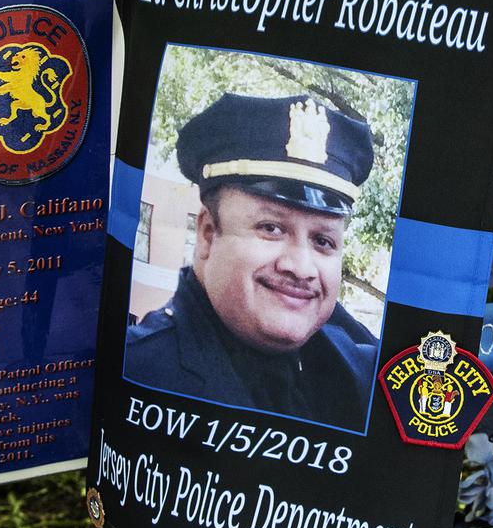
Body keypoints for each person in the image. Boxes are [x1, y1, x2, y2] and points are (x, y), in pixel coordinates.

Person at [125, 93, 379, 430]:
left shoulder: (360, 373)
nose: (302, 268)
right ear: (208, 233)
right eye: (271, 228)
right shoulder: (136, 370)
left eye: (323, 241)